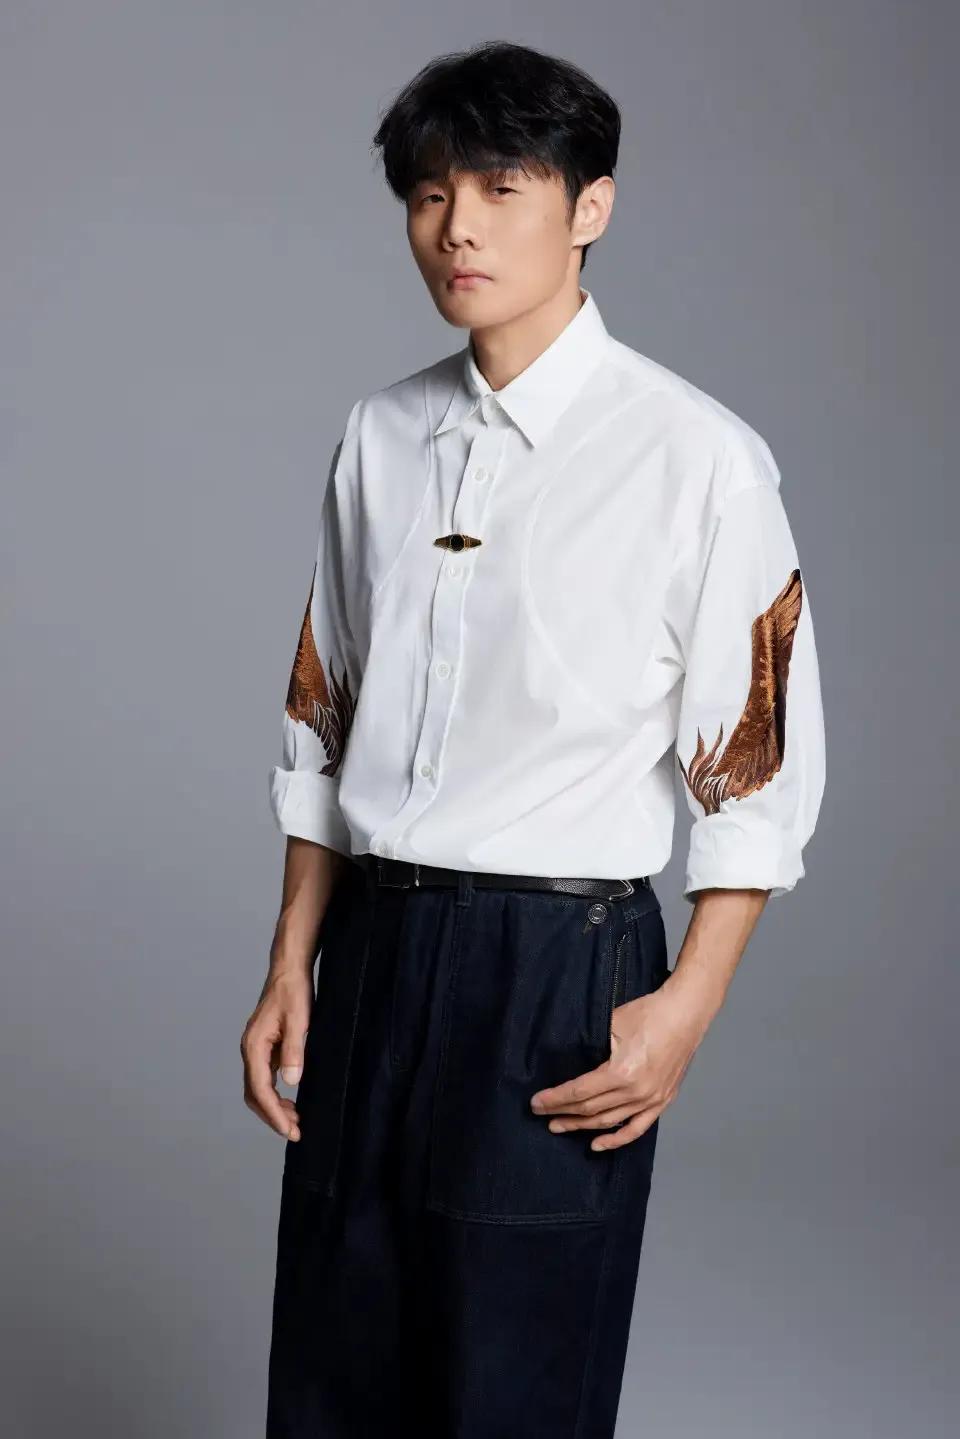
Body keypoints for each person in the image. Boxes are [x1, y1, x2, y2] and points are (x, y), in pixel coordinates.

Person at [241, 38, 826, 1439]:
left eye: (502, 187)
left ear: (589, 206)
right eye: (430, 193)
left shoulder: (697, 457)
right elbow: (326, 715)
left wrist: (686, 1004)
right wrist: (290, 962)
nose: (460, 227)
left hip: (556, 964)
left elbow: (757, 768)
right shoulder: (380, 436)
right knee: (334, 1372)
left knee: (515, 1385)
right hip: (373, 947)